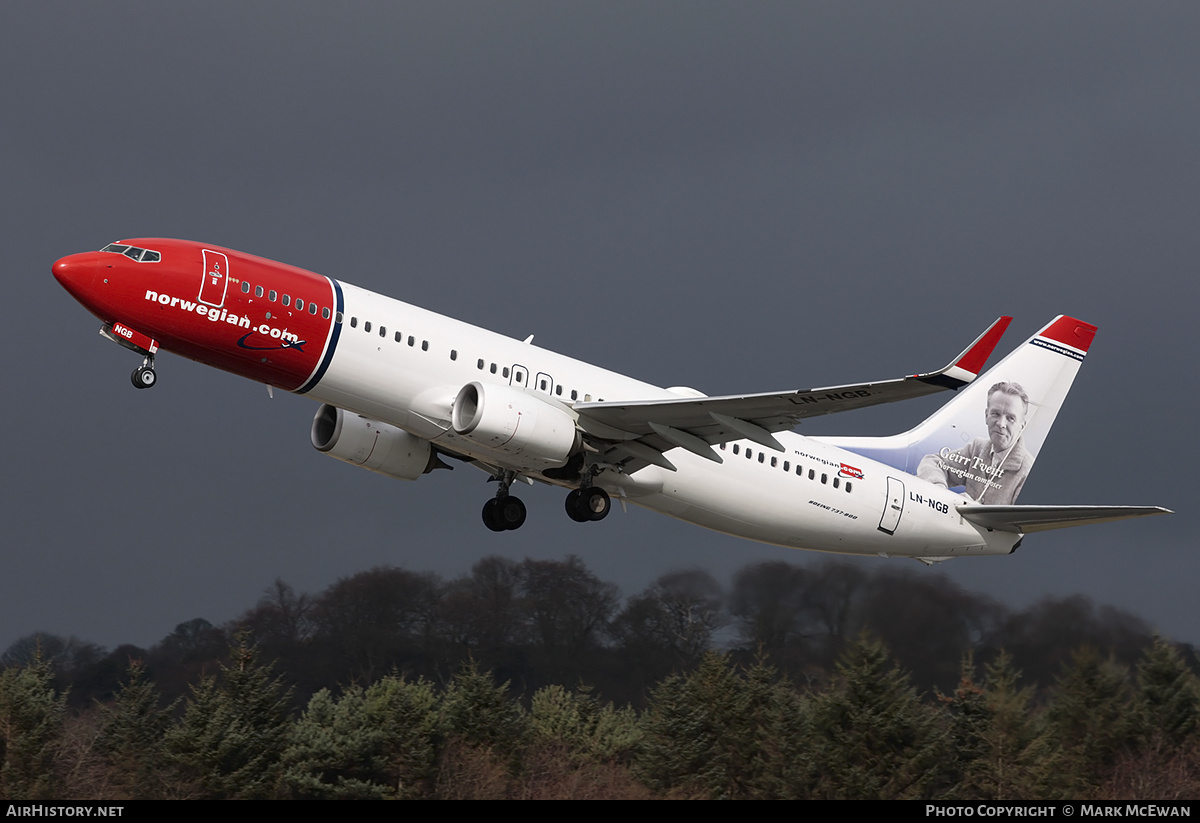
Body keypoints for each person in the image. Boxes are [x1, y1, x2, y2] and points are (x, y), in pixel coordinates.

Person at [917, 381, 1033, 504]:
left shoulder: (1027, 472)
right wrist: (939, 492)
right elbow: (931, 462)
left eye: (1010, 418)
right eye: (995, 414)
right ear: (986, 416)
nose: (1001, 424)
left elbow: (1021, 521)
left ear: (1022, 426)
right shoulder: (977, 449)